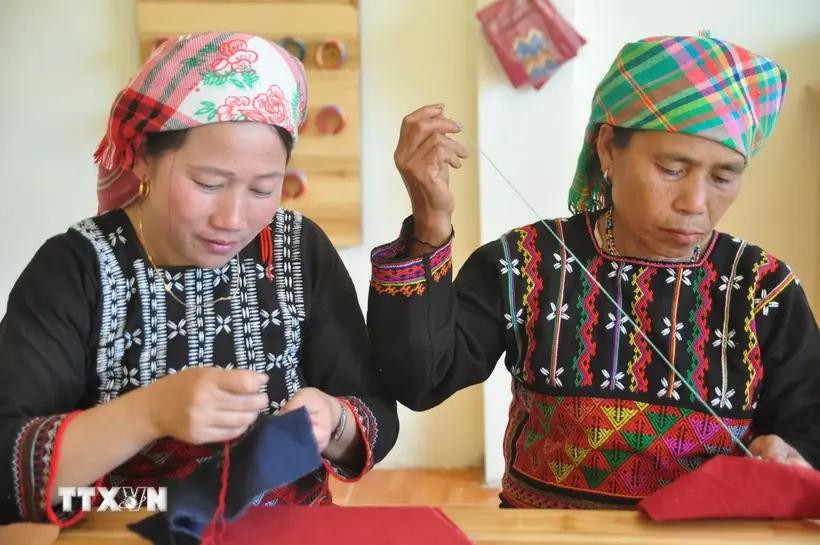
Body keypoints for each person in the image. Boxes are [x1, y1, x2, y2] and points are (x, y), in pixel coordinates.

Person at [368, 35, 819, 508]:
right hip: (543, 539)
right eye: (670, 169)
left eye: (723, 177)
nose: (696, 203)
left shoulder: (761, 289)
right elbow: (418, 380)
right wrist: (429, 222)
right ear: (607, 148)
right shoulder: (528, 261)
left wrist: (790, 452)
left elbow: (808, 422)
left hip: (701, 538)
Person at [0, 32, 397, 525]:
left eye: (263, 188)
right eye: (209, 184)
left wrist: (333, 421)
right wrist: (149, 413)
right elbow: (5, 466)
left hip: (285, 526)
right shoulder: (78, 268)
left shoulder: (297, 248)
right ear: (145, 157)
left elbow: (377, 411)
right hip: (131, 527)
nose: (233, 218)